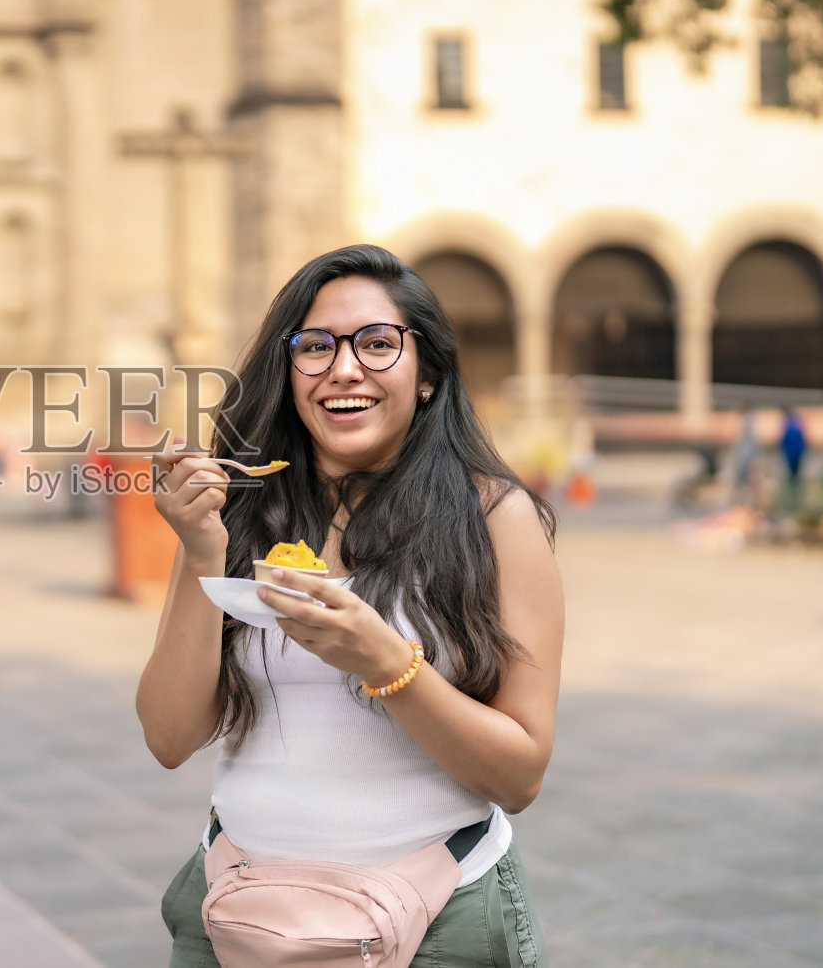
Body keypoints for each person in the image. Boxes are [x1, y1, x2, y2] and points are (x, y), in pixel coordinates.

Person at [141, 245, 562, 967]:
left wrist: (387, 663)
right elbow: (169, 737)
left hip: (437, 920)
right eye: (315, 346)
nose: (343, 368)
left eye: (376, 342)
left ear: (427, 374)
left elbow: (519, 776)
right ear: (289, 373)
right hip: (240, 913)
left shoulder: (496, 517)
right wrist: (201, 549)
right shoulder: (246, 512)